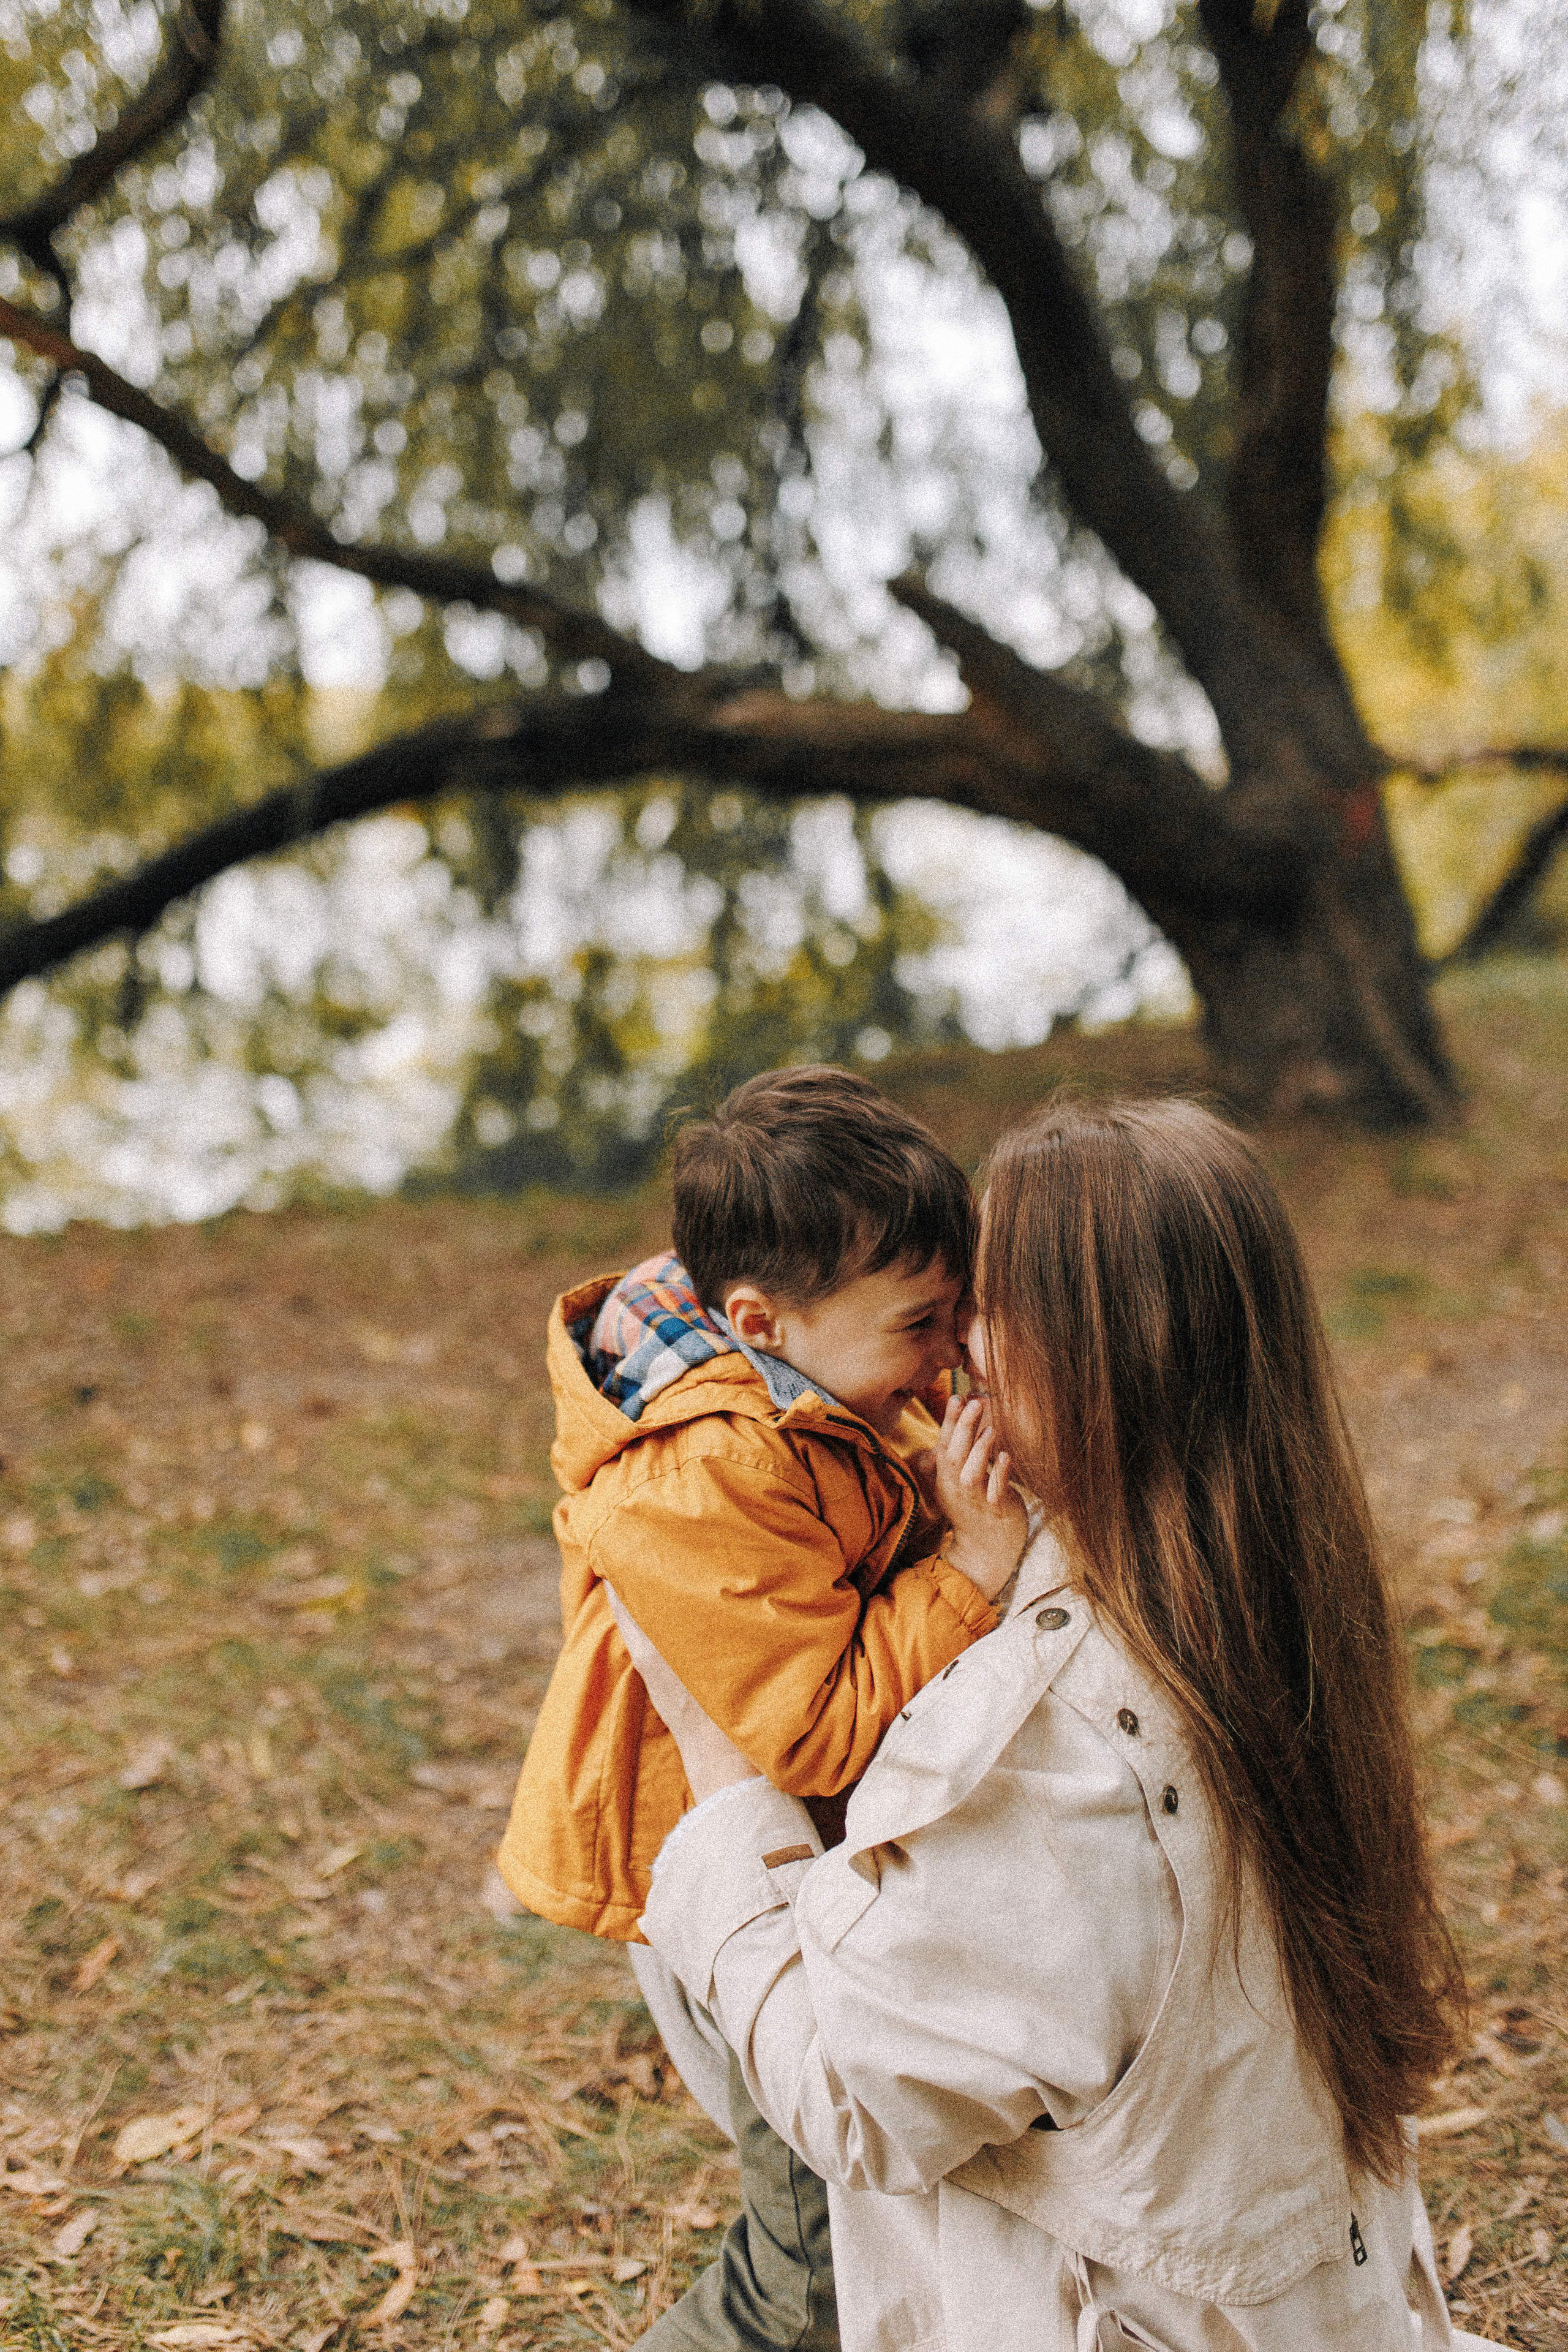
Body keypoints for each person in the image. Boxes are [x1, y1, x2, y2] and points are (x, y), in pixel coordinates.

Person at [614, 1096, 1494, 2352]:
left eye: (980, 1305)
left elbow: (853, 2105)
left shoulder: (1057, 1749)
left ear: (1095, 1356)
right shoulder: (1269, 1595)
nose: (950, 1349)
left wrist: (717, 1781)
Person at [497, 1065, 1029, 2352]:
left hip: (806, 1859)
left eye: (959, 1311)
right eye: (922, 1322)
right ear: (760, 1319)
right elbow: (813, 1728)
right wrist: (968, 1570)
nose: (951, 1353)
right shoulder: (700, 1476)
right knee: (810, 2268)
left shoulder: (818, 1388)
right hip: (720, 1874)